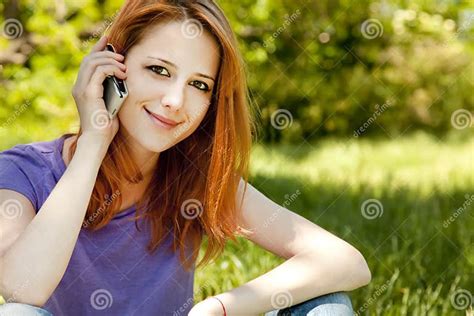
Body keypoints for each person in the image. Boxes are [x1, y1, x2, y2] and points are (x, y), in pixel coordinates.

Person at [0, 0, 371, 314]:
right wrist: (94, 143)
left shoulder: (196, 177)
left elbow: (345, 262)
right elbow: (21, 292)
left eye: (199, 85)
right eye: (159, 70)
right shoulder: (21, 172)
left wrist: (218, 308)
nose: (175, 101)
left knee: (328, 304)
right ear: (112, 66)